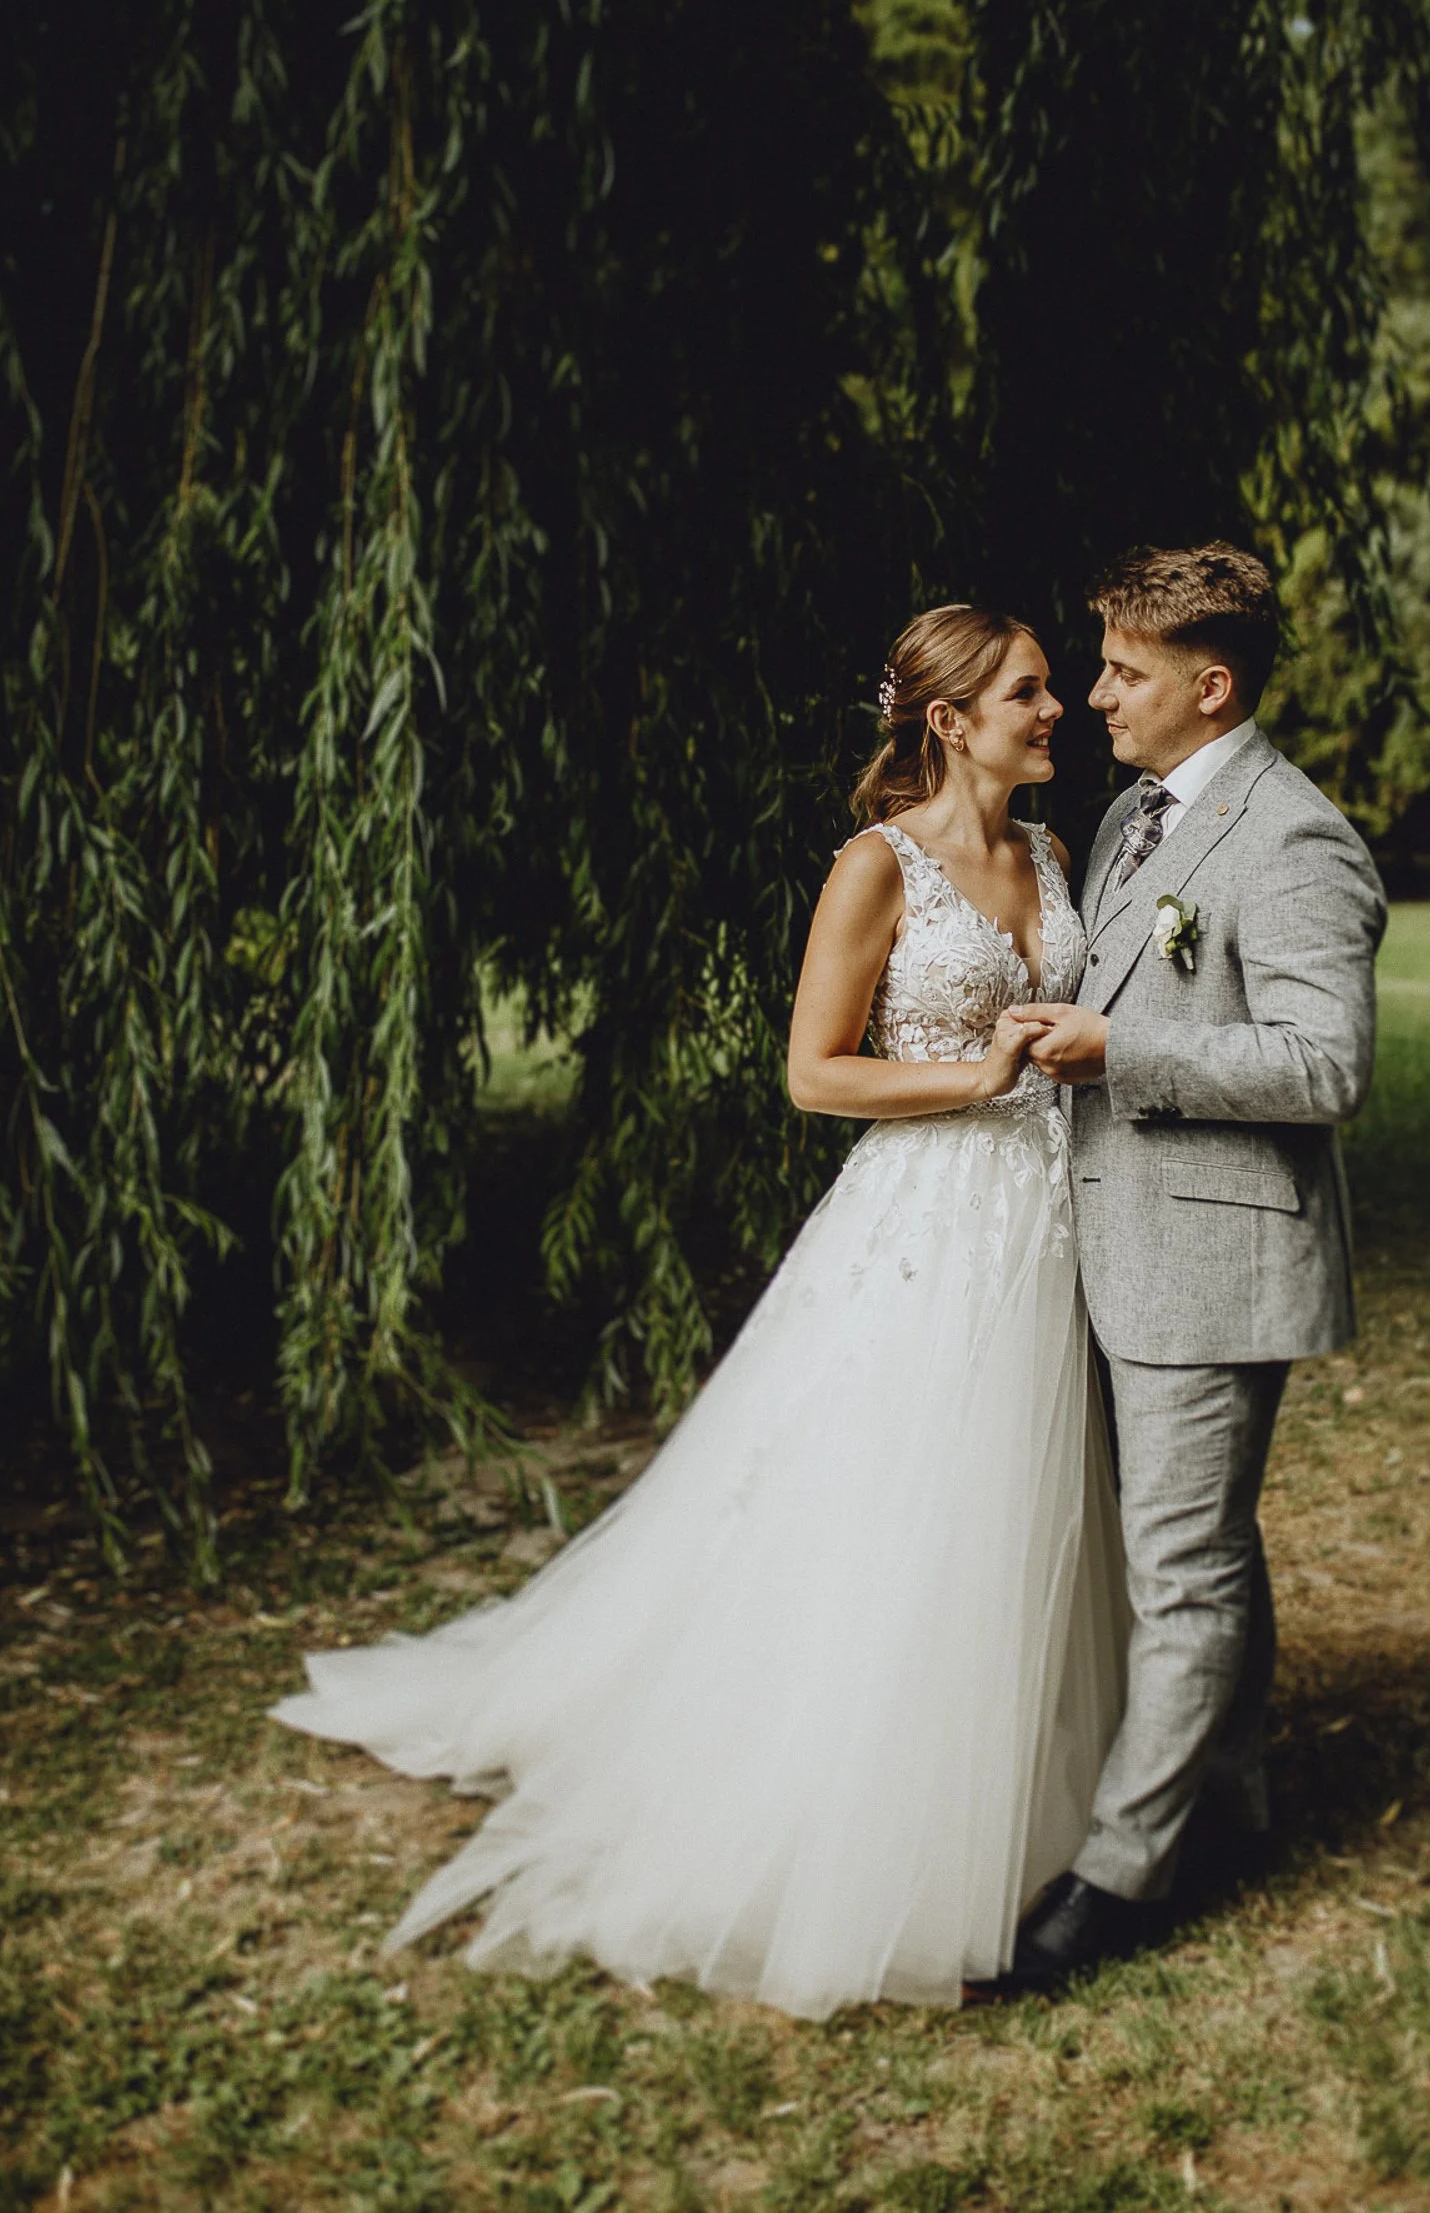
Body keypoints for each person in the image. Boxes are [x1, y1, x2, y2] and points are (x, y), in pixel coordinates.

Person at [271, 604, 1129, 2021]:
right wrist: (970, 1080)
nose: (1057, 712)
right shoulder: (876, 867)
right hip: (923, 1227)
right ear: (950, 721)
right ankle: (865, 1822)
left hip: (1044, 1226)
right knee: (899, 1513)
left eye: (1049, 693)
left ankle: (1030, 1806)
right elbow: (813, 1073)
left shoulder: (1048, 850)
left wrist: (1065, 1070)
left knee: (1019, 1505)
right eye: (1031, 694)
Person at [1001, 541, 1386, 1991]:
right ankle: (1226, 1807)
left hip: (1208, 1263)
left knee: (1179, 1561)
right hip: (1116, 1237)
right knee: (1198, 1544)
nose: (1093, 694)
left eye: (1123, 671)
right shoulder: (1125, 825)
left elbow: (1325, 1064)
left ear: (1208, 685)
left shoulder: (1292, 840)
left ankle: (1120, 1874)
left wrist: (1126, 1051)